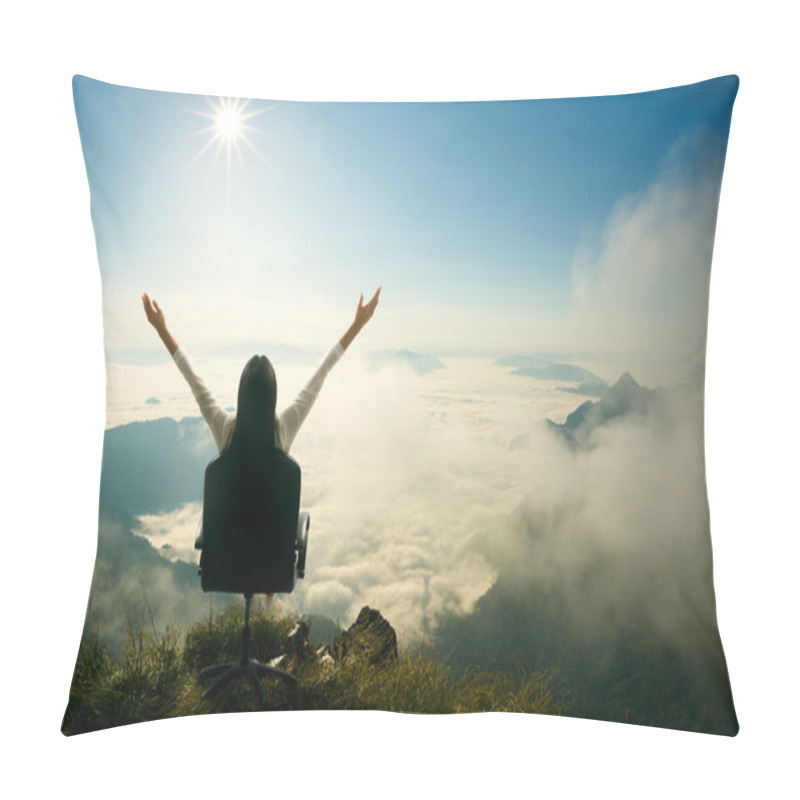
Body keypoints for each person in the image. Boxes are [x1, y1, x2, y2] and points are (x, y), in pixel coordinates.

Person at [142, 287, 381, 547]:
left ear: (241, 394)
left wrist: (161, 329)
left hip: (228, 564)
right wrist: (357, 325)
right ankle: (266, 588)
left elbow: (193, 380)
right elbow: (320, 374)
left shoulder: (226, 430)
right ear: (273, 395)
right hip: (272, 567)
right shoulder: (282, 430)